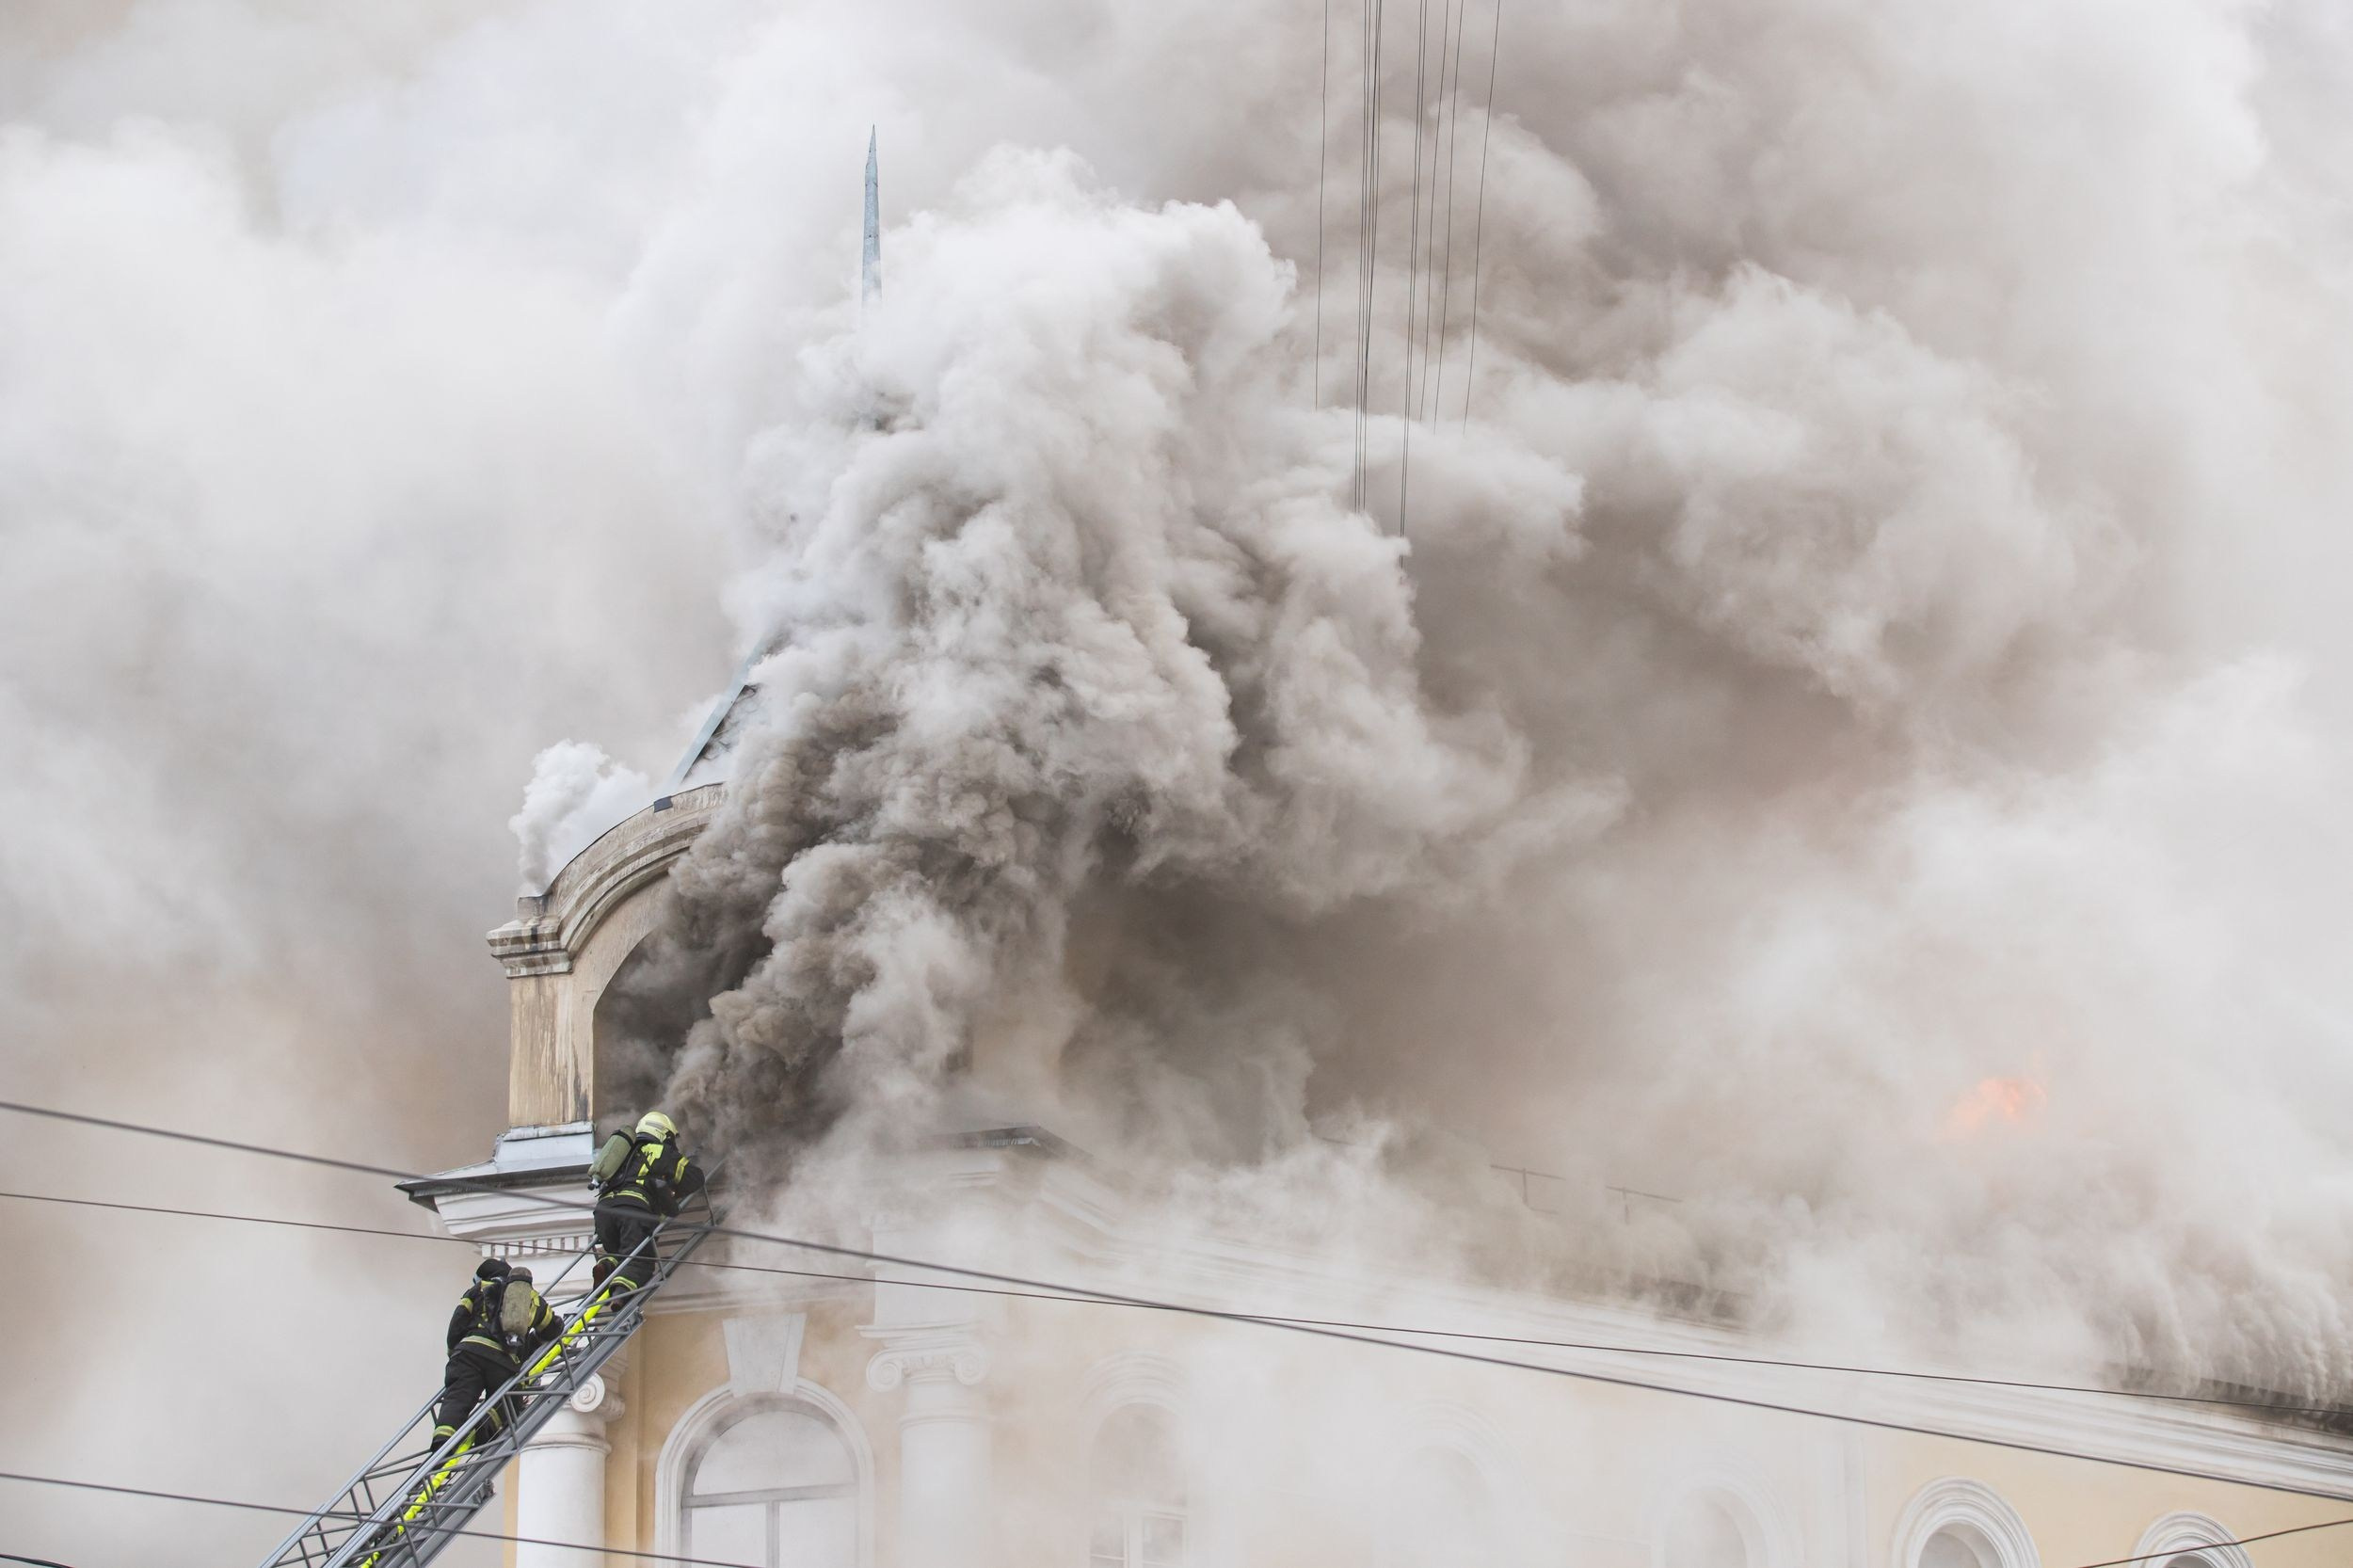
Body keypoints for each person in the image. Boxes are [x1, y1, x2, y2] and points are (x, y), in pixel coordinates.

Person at [432, 1259, 563, 1448]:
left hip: (469, 1353)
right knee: (507, 1401)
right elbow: (551, 1328)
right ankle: (484, 1431)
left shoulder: (476, 1290)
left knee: (458, 1396)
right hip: (503, 1362)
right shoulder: (527, 1296)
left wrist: (455, 1353)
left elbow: (457, 1325)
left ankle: (443, 1439)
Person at [587, 1110, 708, 1293]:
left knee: (618, 1254)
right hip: (633, 1212)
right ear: (663, 1134)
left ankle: (606, 1267)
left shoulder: (623, 1154)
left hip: (604, 1212)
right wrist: (674, 1186)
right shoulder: (661, 1151)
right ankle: (619, 1297)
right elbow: (693, 1178)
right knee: (640, 1263)